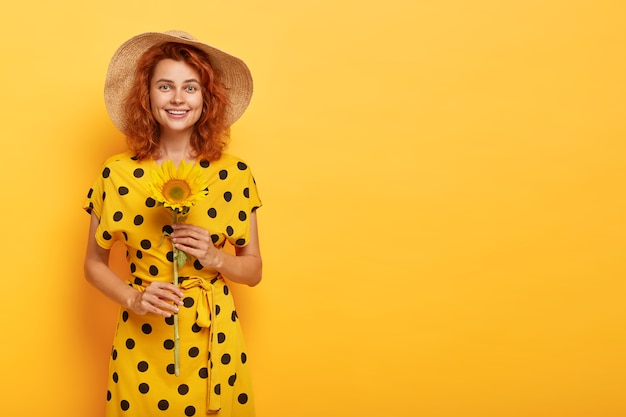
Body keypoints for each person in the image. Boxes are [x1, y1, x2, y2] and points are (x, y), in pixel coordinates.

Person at [83, 30, 262, 417]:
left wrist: (216, 258)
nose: (178, 98)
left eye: (191, 87)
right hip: (141, 344)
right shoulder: (115, 173)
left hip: (214, 339)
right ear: (147, 96)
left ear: (206, 98)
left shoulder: (236, 174)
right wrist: (133, 298)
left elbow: (253, 270)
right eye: (165, 86)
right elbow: (93, 264)